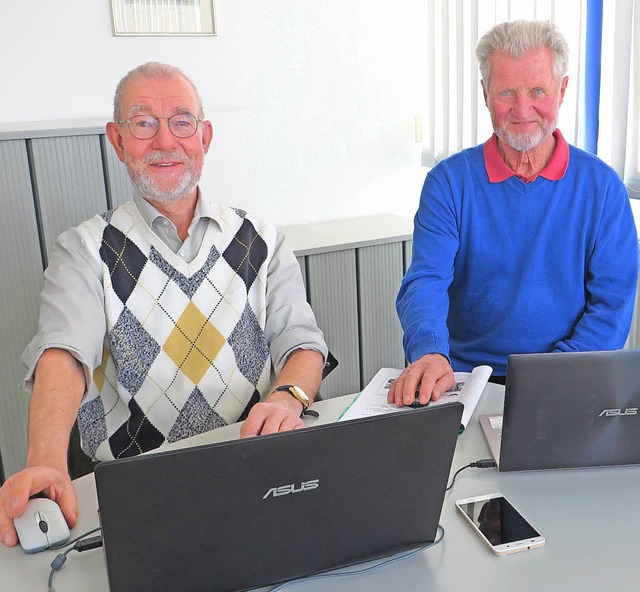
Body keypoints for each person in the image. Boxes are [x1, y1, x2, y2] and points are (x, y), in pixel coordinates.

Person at [0, 62, 328, 548]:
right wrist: (46, 460)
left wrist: (288, 397)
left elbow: (302, 344)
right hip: (142, 493)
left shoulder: (262, 240)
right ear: (117, 140)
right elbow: (63, 354)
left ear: (204, 137)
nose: (164, 141)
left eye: (181, 121)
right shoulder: (84, 250)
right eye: (143, 123)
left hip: (258, 472)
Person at [389, 20, 638, 407]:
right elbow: (425, 280)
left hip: (567, 373)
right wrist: (430, 351)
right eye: (507, 92)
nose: (522, 109)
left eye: (537, 90)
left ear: (562, 90)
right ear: (486, 94)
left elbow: (612, 305)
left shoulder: (603, 188)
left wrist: (552, 378)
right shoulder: (448, 182)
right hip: (463, 377)